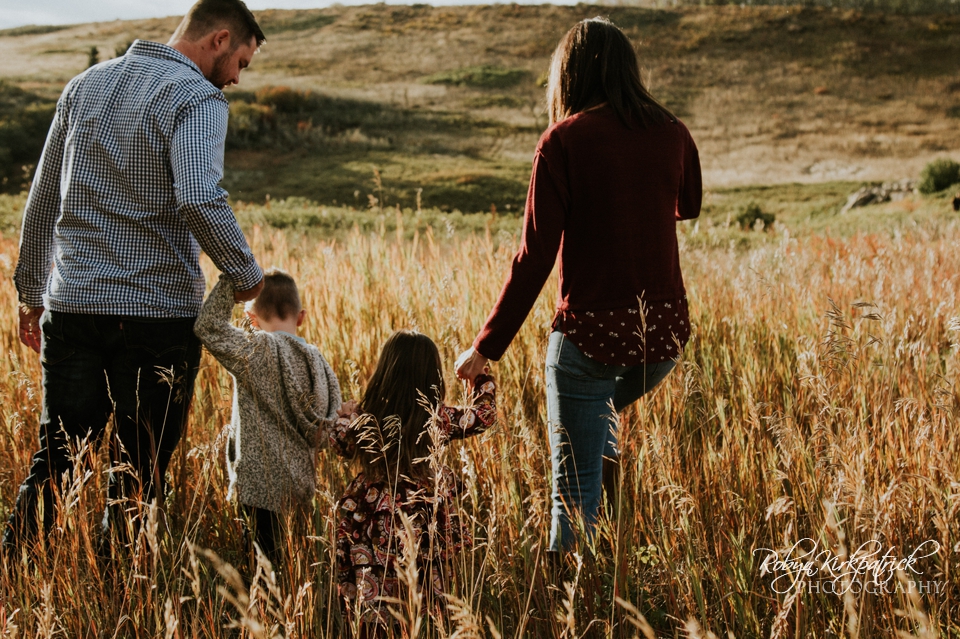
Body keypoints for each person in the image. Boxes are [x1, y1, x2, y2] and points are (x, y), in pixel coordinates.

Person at [6, 0, 267, 553]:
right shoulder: (197, 96)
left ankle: (13, 563)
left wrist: (31, 293)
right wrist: (247, 277)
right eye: (241, 61)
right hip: (157, 316)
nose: (238, 77)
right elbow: (198, 196)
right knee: (138, 469)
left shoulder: (84, 86)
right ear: (219, 39)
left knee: (55, 454)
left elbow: (42, 198)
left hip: (73, 306)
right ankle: (122, 589)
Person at [456, 17, 702, 552]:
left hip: (590, 340)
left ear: (567, 76)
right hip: (660, 340)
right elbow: (690, 206)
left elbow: (534, 256)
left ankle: (573, 603)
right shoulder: (674, 132)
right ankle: (611, 562)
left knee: (572, 489)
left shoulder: (563, 142)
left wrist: (485, 347)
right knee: (600, 440)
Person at [328, 330, 496, 636]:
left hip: (371, 519)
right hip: (423, 517)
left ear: (384, 372)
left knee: (373, 597)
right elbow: (483, 416)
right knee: (426, 591)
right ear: (432, 376)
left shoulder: (367, 417)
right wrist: (480, 377)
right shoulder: (436, 417)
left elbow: (340, 443)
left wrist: (344, 417)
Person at [194, 269, 341, 572]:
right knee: (294, 570)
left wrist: (231, 281)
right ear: (301, 317)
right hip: (301, 487)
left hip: (259, 490)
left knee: (261, 574)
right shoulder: (319, 362)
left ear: (250, 317)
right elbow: (328, 431)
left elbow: (207, 326)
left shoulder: (254, 350)